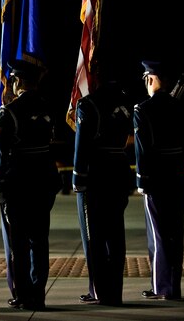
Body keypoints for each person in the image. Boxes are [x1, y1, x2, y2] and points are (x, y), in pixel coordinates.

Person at [0, 59, 61, 311]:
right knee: (40, 242)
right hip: (44, 181)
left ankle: (23, 295)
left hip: (19, 183)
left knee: (19, 244)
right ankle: (38, 294)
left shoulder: (9, 112)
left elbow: (0, 152)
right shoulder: (47, 107)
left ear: (17, 81)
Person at [72, 62, 134, 306]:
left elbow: (82, 145)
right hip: (119, 171)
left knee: (95, 239)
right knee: (116, 236)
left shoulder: (88, 105)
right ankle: (115, 292)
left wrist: (78, 176)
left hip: (97, 174)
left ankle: (103, 293)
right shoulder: (125, 103)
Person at [134, 60, 184, 300]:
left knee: (158, 236)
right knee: (174, 235)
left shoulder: (143, 109)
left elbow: (142, 150)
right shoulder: (179, 107)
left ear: (150, 78)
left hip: (156, 180)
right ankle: (173, 287)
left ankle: (161, 287)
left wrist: (141, 181)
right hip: (179, 178)